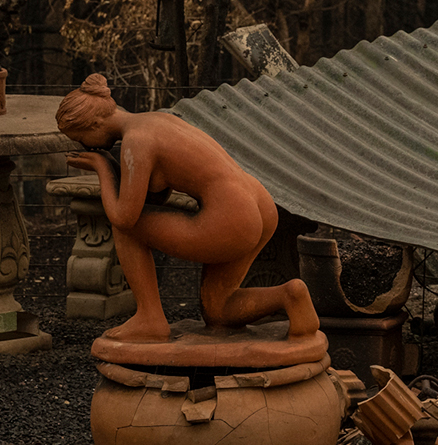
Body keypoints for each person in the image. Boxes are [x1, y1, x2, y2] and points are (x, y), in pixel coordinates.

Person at [56, 73, 317, 344]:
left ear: (95, 122)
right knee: (219, 309)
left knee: (127, 231)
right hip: (259, 204)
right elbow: (154, 197)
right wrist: (111, 164)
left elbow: (125, 217)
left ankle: (150, 319)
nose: (86, 145)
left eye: (82, 137)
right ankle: (290, 294)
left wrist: (100, 168)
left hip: (231, 216)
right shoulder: (155, 120)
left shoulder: (136, 141)